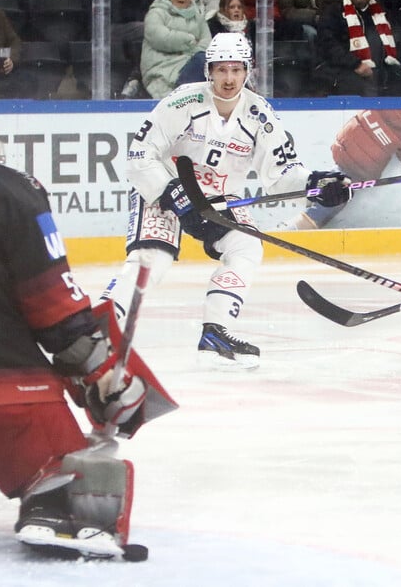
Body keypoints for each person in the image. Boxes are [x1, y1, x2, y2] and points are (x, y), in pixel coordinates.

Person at [0, 102, 160, 557]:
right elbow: (53, 306)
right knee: (61, 471)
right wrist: (104, 378)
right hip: (6, 399)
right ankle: (55, 507)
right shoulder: (6, 187)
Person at [101, 32, 353, 369]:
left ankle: (215, 331)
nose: (229, 78)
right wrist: (169, 192)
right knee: (152, 258)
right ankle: (100, 327)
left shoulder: (260, 115)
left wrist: (316, 182)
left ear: (248, 71)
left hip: (220, 197)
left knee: (247, 248)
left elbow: (280, 174)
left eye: (236, 70)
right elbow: (140, 154)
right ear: (209, 71)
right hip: (164, 189)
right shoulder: (182, 102)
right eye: (221, 70)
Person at [315, 0, 401, 97]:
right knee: (353, 83)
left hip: (382, 68)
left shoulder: (382, 12)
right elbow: (329, 46)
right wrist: (356, 64)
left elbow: (398, 38)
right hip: (345, 68)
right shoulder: (333, 12)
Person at [140, 0, 212, 99]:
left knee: (212, 64)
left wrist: (191, 52)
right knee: (201, 61)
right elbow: (159, 37)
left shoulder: (198, 16)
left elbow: (207, 43)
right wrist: (189, 40)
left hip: (191, 64)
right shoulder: (157, 12)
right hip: (162, 68)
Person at [112, 0, 168, 99]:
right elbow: (115, 9)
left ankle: (143, 79)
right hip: (115, 26)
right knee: (148, 29)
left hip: (143, 22)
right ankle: (136, 77)